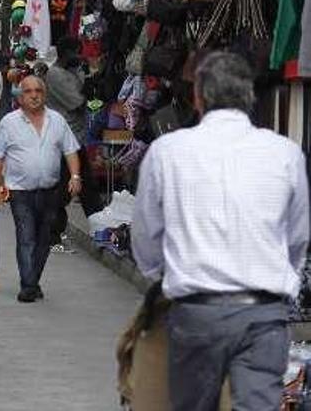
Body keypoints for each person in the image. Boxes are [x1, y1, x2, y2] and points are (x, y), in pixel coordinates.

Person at [132, 52, 310, 411]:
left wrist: (164, 276)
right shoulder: (285, 154)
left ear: (198, 96)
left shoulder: (167, 152)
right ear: (251, 97)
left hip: (197, 311)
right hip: (264, 314)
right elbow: (297, 239)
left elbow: (147, 238)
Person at [0, 75, 81, 303]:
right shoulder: (9, 123)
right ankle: (28, 286)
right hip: (20, 192)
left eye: (38, 90)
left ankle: (32, 281)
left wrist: (76, 176)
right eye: (28, 91)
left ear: (45, 94)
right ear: (20, 97)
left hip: (50, 191)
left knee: (44, 240)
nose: (34, 95)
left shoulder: (57, 120)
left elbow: (70, 150)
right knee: (26, 237)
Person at [45, 37, 102, 248]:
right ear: (64, 54)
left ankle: (100, 227)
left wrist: (89, 76)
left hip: (76, 138)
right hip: (63, 139)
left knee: (86, 187)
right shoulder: (55, 74)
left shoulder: (74, 70)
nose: (79, 57)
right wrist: (88, 84)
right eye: (75, 53)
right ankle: (52, 234)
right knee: (64, 189)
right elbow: (78, 103)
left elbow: (89, 97)